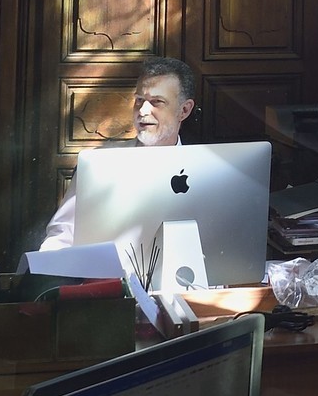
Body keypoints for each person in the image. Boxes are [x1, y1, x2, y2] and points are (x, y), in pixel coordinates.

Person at [38, 53, 198, 249]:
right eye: (139, 100)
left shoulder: (206, 171)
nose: (143, 111)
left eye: (156, 101)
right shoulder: (100, 164)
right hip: (109, 278)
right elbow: (62, 235)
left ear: (184, 110)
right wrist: (46, 273)